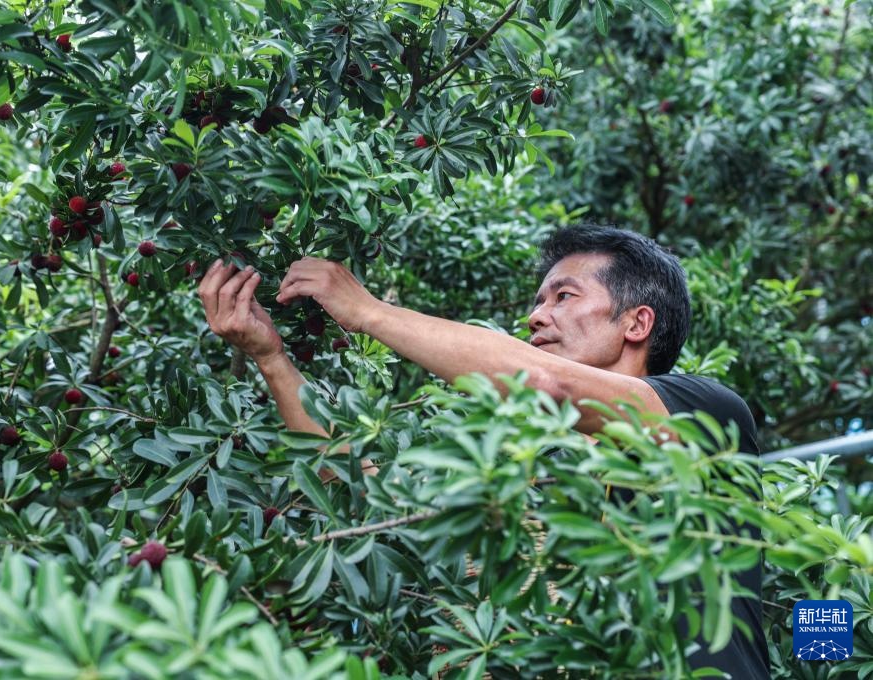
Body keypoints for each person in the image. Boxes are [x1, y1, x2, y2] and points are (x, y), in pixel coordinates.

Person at [197, 224, 770, 679]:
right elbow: (362, 499)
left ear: (637, 322)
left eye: (564, 296)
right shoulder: (508, 475)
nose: (535, 315)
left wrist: (365, 310)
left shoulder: (708, 418)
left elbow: (549, 384)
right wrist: (271, 358)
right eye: (538, 300)